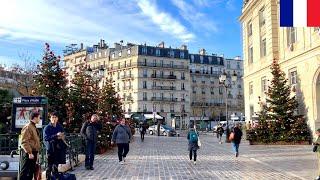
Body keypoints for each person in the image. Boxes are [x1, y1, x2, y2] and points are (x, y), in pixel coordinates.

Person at [43, 111, 67, 179]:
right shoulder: (47, 127)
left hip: (58, 148)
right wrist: (56, 135)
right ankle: (48, 178)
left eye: (55, 117)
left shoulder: (59, 126)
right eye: (52, 117)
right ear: (50, 118)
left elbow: (63, 134)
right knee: (49, 166)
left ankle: (55, 177)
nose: (54, 118)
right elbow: (46, 138)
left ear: (57, 118)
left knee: (56, 166)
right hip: (50, 149)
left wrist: (61, 136)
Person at [19, 111, 41, 180]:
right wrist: (29, 153)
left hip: (33, 152)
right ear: (35, 118)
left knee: (30, 172)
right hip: (28, 153)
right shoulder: (28, 127)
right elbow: (24, 141)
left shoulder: (33, 126)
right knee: (25, 171)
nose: (39, 119)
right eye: (39, 118)